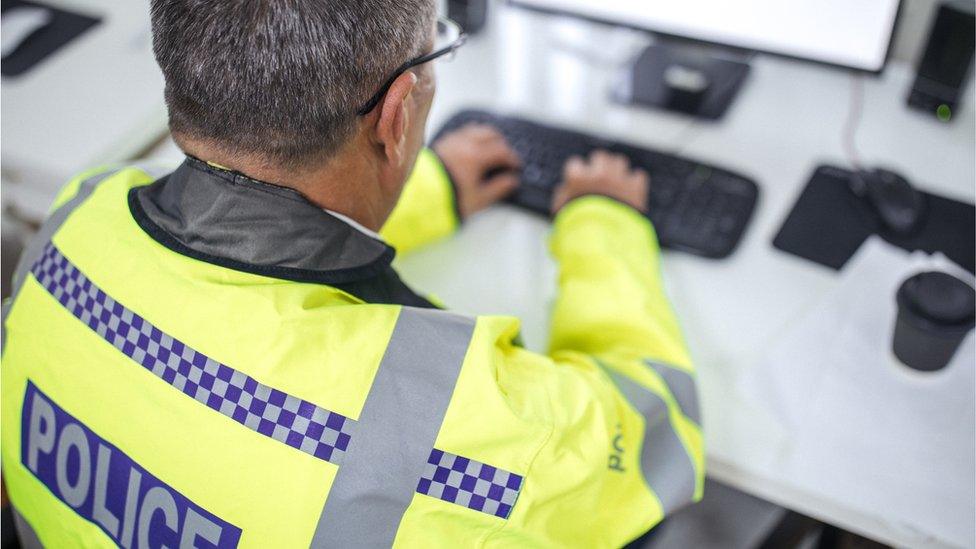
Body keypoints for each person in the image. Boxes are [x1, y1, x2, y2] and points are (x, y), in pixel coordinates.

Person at [0, 1, 703, 547]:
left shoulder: (79, 215)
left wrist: (425, 192)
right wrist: (602, 222)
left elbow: (241, 215)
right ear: (397, 116)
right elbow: (658, 426)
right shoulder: (443, 427)